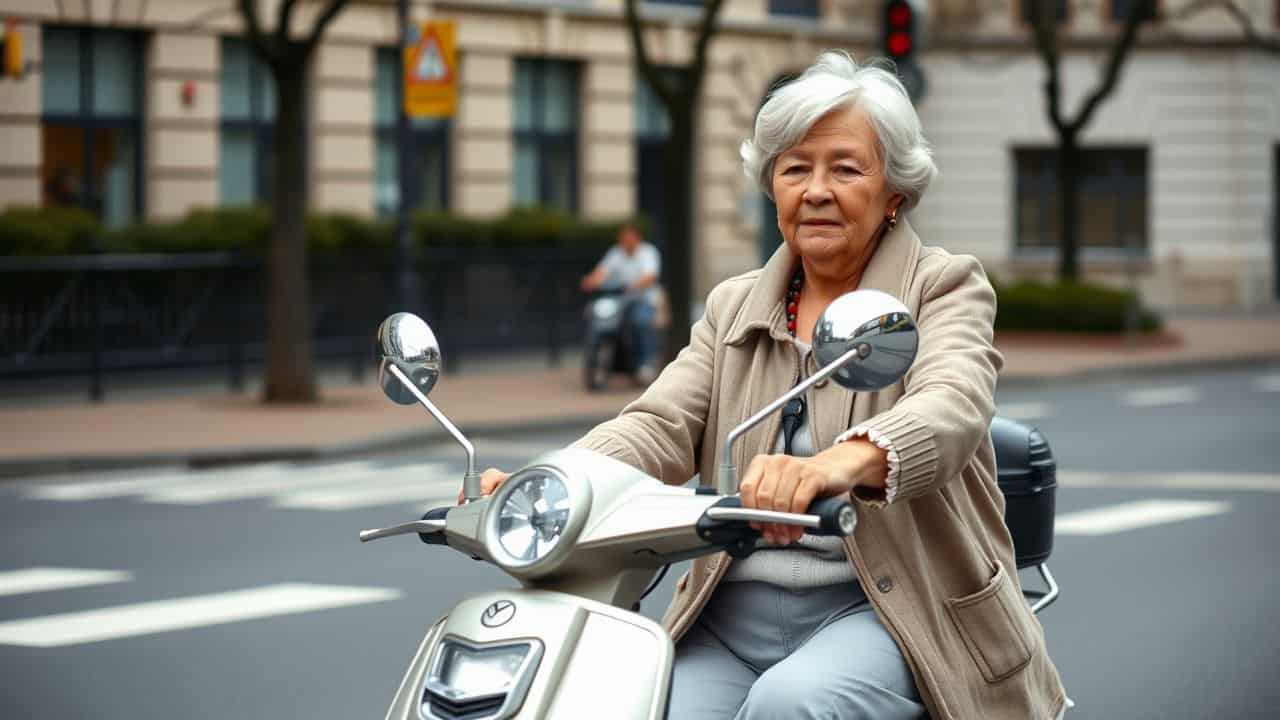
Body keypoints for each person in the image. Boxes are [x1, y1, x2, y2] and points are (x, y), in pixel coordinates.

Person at [475, 51, 1067, 719]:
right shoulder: (734, 306)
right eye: (794, 169)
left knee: (791, 704)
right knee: (633, 705)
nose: (815, 190)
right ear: (773, 188)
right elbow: (661, 423)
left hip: (891, 609)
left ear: (894, 191)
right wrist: (553, 479)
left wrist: (836, 465)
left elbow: (952, 403)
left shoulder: (942, 285)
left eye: (845, 168)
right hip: (730, 615)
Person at [580, 222, 662, 383]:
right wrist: (591, 281)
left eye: (629, 238)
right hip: (620, 300)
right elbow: (602, 271)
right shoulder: (616, 253)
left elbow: (650, 275)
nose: (626, 241)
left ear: (637, 238)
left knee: (641, 321)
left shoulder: (647, 252)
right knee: (598, 318)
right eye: (623, 238)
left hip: (642, 299)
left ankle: (646, 364)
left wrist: (635, 285)